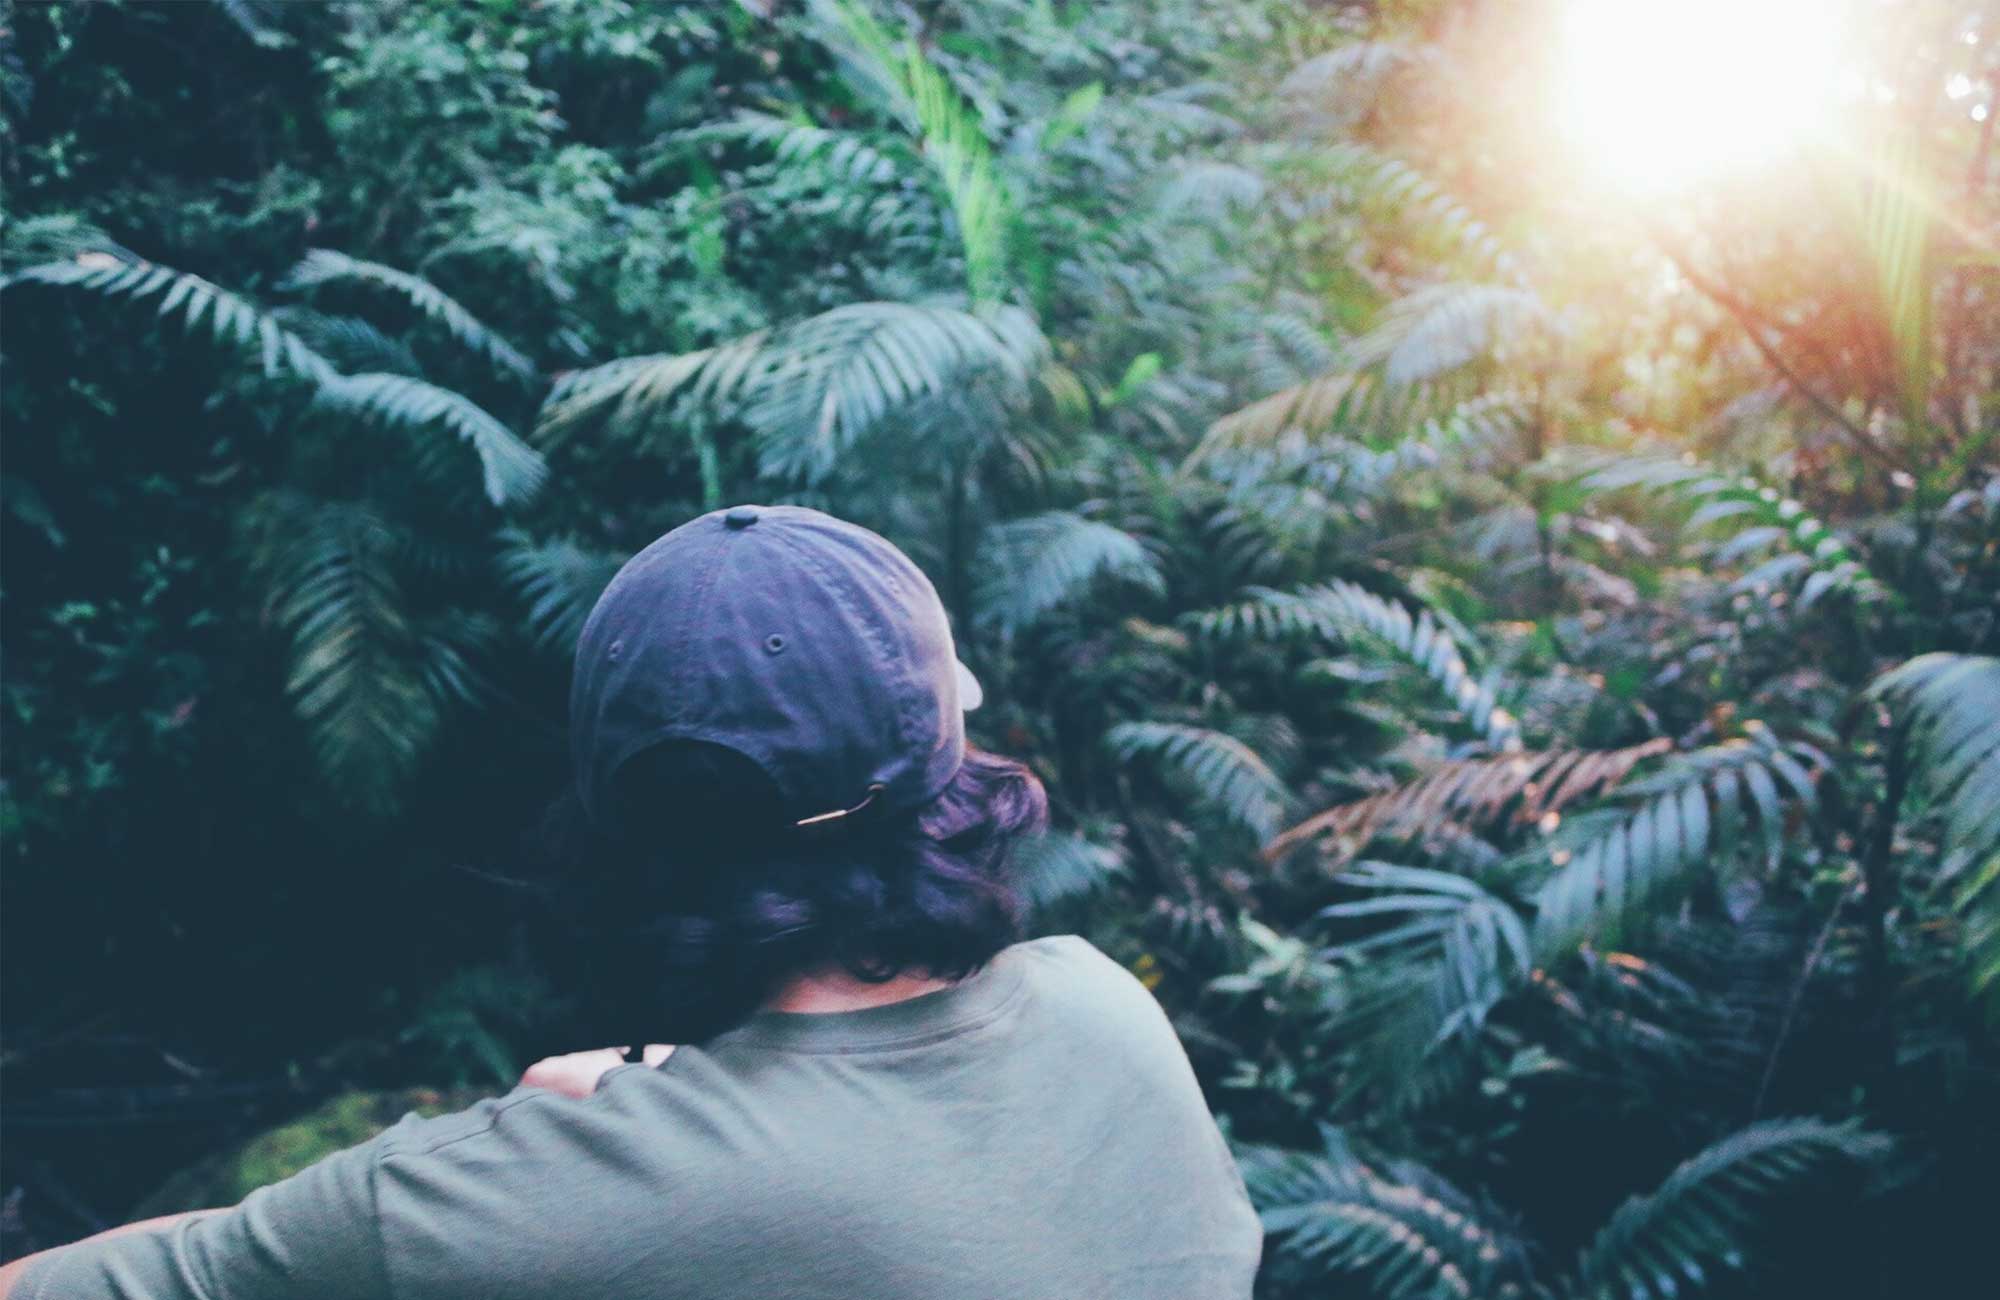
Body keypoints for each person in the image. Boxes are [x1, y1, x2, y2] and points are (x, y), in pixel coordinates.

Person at [0, 505, 1262, 1299]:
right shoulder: (1106, 1014)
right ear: (953, 778)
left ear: (618, 838)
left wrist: (612, 1143)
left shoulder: (511, 1204)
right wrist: (654, 1111)